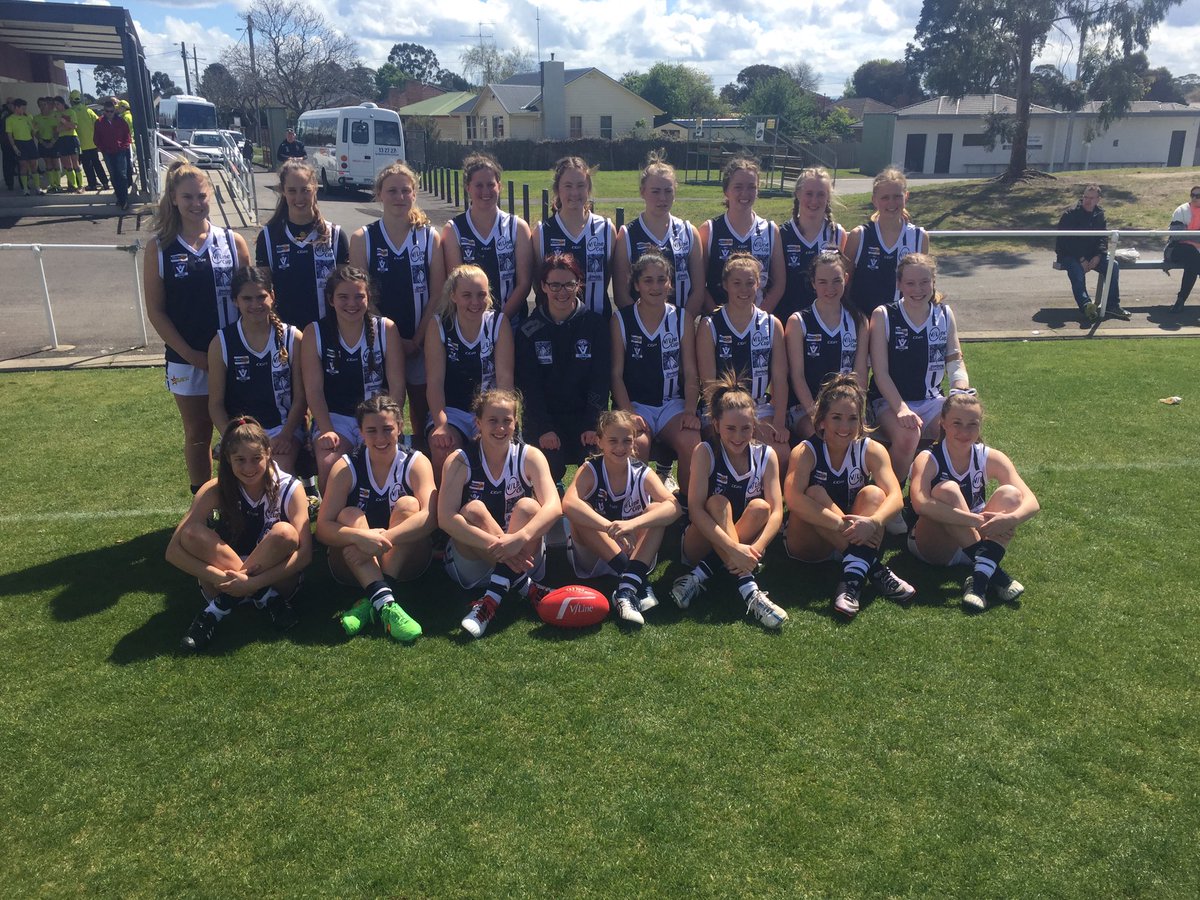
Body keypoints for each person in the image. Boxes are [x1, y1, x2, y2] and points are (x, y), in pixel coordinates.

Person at [144, 161, 250, 492]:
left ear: (211, 195)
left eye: (201, 196)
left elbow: (252, 298)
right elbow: (156, 311)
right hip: (186, 359)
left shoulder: (232, 241)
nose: (195, 203)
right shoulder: (159, 247)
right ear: (173, 198)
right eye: (187, 196)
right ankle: (204, 506)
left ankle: (248, 501)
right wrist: (190, 353)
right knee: (197, 432)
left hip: (236, 357)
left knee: (244, 430)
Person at [168, 417, 312, 651]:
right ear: (227, 459)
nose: (248, 468)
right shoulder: (214, 488)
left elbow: (305, 555)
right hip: (223, 580)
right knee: (192, 532)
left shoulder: (290, 487)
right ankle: (265, 599)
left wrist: (252, 583)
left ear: (269, 453)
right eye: (240, 460)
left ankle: (215, 612)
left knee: (285, 533)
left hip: (276, 581)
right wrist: (218, 578)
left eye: (256, 459)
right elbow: (173, 551)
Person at [783, 374, 915, 619]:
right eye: (836, 418)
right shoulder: (806, 451)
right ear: (821, 421)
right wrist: (845, 526)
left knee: (875, 493)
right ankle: (873, 567)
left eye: (852, 418)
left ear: (861, 421)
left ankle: (850, 584)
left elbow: (896, 496)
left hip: (858, 535)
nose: (844, 427)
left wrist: (874, 522)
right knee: (814, 493)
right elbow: (793, 499)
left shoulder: (871, 449)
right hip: (812, 543)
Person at [437, 388, 561, 639]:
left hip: (524, 552)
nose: (500, 428)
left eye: (507, 421)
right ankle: (526, 587)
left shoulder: (530, 455)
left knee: (529, 507)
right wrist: (499, 544)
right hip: (476, 561)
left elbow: (554, 507)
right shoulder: (460, 460)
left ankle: (490, 601)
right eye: (493, 420)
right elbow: (445, 518)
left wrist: (521, 537)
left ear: (516, 423)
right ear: (478, 423)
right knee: (473, 509)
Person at [670, 372, 788, 629]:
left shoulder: (767, 455)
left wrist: (756, 548)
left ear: (754, 424)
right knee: (717, 503)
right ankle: (750, 592)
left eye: (745, 428)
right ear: (716, 425)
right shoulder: (705, 452)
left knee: (761, 507)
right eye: (730, 428)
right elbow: (696, 511)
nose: (738, 436)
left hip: (746, 545)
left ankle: (698, 576)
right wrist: (735, 550)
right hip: (700, 541)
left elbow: (777, 511)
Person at [317, 394, 437, 642]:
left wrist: (379, 541)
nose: (380, 438)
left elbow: (430, 517)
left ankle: (373, 597)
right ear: (360, 432)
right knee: (350, 515)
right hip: (350, 564)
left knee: (409, 504)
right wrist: (360, 537)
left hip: (405, 562)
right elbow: (322, 528)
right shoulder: (346, 466)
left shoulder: (416, 462)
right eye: (371, 431)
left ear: (400, 428)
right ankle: (385, 600)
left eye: (387, 429)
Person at [909, 390, 1040, 611]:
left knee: (1011, 494)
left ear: (980, 425)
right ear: (943, 423)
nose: (964, 431)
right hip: (935, 546)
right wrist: (974, 520)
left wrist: (1010, 519)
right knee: (947, 490)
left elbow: (1031, 502)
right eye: (957, 423)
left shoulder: (990, 456)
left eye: (973, 424)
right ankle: (995, 574)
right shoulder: (928, 457)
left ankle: (978, 581)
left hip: (975, 537)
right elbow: (920, 503)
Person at [868, 252, 967, 533]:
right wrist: (900, 408)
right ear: (899, 284)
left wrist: (961, 389)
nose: (918, 290)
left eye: (925, 282)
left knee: (961, 426)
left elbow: (954, 358)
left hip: (932, 398)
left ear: (933, 282)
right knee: (908, 433)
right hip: (889, 400)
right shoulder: (884, 315)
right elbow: (881, 372)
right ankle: (894, 498)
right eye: (911, 283)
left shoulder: (944, 313)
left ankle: (942, 493)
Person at [349, 160, 445, 447]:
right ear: (379, 193)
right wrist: (391, 338)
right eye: (392, 191)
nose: (399, 197)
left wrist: (416, 339)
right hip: (375, 339)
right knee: (378, 410)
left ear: (414, 193)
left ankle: (419, 467)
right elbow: (359, 295)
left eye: (406, 191)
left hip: (421, 339)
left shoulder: (428, 236)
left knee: (420, 410)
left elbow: (438, 293)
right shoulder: (362, 238)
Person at [562, 410, 682, 624]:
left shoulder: (641, 471)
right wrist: (610, 527)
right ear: (599, 441)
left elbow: (674, 507)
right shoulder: (590, 469)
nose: (620, 447)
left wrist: (631, 524)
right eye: (612, 441)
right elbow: (568, 504)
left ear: (634, 441)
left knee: (657, 511)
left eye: (626, 441)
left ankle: (625, 589)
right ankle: (638, 580)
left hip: (633, 549)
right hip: (594, 555)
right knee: (581, 513)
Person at [300, 265, 405, 490]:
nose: (352, 304)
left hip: (376, 417)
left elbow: (397, 385)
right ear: (330, 300)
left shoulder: (386, 329)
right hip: (336, 418)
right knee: (330, 463)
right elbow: (314, 390)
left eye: (359, 296)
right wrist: (327, 429)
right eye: (343, 297)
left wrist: (389, 423)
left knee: (379, 464)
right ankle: (331, 520)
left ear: (368, 298)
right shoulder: (314, 333)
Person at [514, 253, 611, 486]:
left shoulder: (595, 325)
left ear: (579, 284)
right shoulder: (529, 330)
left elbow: (600, 379)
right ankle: (550, 509)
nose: (562, 291)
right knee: (548, 465)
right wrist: (544, 428)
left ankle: (594, 514)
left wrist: (592, 423)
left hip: (583, 418)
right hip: (544, 420)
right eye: (554, 285)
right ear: (543, 287)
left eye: (569, 284)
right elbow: (529, 386)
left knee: (598, 466)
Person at [610, 251, 701, 497]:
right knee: (636, 444)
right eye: (648, 280)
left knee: (692, 442)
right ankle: (635, 504)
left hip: (673, 404)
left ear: (670, 283)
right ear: (637, 284)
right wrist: (628, 411)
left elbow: (691, 371)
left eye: (662, 279)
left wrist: (691, 411)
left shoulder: (682, 318)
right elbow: (616, 374)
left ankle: (686, 506)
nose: (656, 286)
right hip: (638, 405)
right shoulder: (622, 319)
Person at [696, 253, 790, 474]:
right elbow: (708, 382)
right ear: (725, 285)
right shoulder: (710, 325)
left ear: (759, 284)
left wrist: (779, 421)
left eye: (750, 283)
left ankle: (770, 500)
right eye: (737, 283)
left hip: (758, 406)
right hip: (721, 407)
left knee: (782, 452)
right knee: (720, 449)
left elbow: (779, 377)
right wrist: (720, 416)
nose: (744, 290)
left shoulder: (771, 324)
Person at [207, 267, 306, 475]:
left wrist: (286, 435)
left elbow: (301, 399)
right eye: (247, 298)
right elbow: (215, 404)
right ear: (235, 300)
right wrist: (230, 437)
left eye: (261, 297)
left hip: (283, 429)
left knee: (276, 473)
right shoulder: (222, 342)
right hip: (242, 431)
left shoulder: (293, 337)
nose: (255, 305)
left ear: (272, 296)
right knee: (243, 473)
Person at [424, 264, 514, 482]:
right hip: (451, 411)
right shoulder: (440, 325)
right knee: (443, 448)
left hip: (489, 411)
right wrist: (441, 425)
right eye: (467, 295)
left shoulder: (498, 323)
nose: (475, 302)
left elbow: (505, 379)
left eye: (481, 295)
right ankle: (441, 510)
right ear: (453, 295)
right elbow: (434, 383)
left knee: (493, 450)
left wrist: (495, 420)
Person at [783, 249, 868, 440]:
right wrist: (816, 414)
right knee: (824, 436)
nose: (830, 288)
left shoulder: (859, 320)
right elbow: (797, 376)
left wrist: (855, 412)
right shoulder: (798, 321)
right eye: (822, 282)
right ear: (813, 283)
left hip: (846, 407)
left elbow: (860, 373)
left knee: (857, 441)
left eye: (837, 280)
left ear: (846, 278)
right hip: (806, 408)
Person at [255, 159, 349, 329]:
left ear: (315, 189)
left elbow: (346, 292)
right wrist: (282, 331)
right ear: (283, 191)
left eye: (305, 190)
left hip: (328, 333)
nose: (299, 197)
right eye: (292, 191)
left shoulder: (335, 235)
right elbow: (264, 292)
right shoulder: (268, 237)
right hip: (286, 334)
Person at [443, 153, 533, 322]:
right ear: (468, 187)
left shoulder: (518, 227)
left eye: (491, 185)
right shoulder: (453, 230)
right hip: (471, 326)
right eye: (479, 185)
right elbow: (456, 286)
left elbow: (524, 284)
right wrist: (481, 326)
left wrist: (500, 322)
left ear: (499, 186)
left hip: (511, 323)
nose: (485, 191)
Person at [612, 153, 705, 314]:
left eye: (668, 191)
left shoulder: (689, 232)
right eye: (655, 191)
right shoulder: (627, 235)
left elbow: (698, 291)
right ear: (642, 192)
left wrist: (682, 324)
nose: (662, 198)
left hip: (681, 330)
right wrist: (644, 326)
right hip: (641, 331)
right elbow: (621, 295)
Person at [698, 157, 785, 315]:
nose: (745, 193)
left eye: (751, 187)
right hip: (718, 325)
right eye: (738, 187)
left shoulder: (771, 230)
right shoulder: (709, 230)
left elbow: (779, 284)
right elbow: (699, 284)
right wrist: (718, 317)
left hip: (757, 325)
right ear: (726, 190)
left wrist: (758, 318)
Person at [532, 156, 615, 317]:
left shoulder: (606, 230)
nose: (574, 192)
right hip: (555, 328)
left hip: (597, 329)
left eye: (580, 185)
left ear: (588, 188)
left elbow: (611, 279)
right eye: (568, 186)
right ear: (557, 189)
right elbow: (538, 285)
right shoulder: (542, 232)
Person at [844, 166, 930, 316]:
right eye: (885, 197)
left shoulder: (919, 237)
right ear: (874, 200)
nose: (891, 203)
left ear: (906, 196)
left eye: (897, 196)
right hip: (864, 324)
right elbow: (845, 284)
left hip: (902, 324)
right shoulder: (859, 236)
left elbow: (923, 283)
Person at [777, 167, 847, 323]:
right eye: (809, 194)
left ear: (828, 196)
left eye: (821, 194)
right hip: (786, 319)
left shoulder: (837, 234)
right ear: (798, 193)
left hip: (825, 323)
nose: (814, 201)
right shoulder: (780, 234)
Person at [1054, 183, 1132, 323]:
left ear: (1098, 199)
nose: (1087, 200)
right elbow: (1065, 241)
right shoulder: (1070, 214)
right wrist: (1082, 259)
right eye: (1085, 197)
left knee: (1112, 266)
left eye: (1091, 197)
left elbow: (1102, 238)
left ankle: (1112, 305)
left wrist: (1098, 255)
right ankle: (1086, 306)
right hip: (1070, 255)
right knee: (1077, 272)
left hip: (1093, 255)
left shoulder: (1099, 214)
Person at [1165, 185, 1200, 313]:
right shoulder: (1182, 210)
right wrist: (1196, 234)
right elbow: (1176, 235)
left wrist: (1190, 233)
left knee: (1194, 262)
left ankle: (1181, 300)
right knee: (1193, 255)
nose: (1195, 198)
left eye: (1198, 196)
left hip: (1196, 254)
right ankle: (1181, 300)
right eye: (1193, 195)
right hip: (1176, 249)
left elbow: (1184, 233)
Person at [93, 97, 132, 209]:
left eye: (111, 111)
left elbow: (127, 136)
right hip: (107, 153)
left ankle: (124, 200)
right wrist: (102, 148)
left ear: (114, 111)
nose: (109, 113)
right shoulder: (99, 122)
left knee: (122, 175)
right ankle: (120, 198)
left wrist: (123, 147)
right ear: (104, 111)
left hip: (120, 151)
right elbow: (96, 138)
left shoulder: (121, 121)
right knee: (114, 176)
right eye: (107, 111)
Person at [69, 90, 108, 191]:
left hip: (81, 143)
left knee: (87, 165)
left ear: (71, 100)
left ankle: (92, 184)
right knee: (97, 163)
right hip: (93, 142)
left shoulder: (71, 112)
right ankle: (105, 182)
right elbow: (98, 122)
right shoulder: (88, 110)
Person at [4, 98, 42, 196]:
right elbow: (9, 135)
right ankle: (25, 189)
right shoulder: (10, 119)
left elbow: (33, 131)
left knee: (34, 164)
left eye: (25, 108)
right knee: (23, 166)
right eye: (22, 108)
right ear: (16, 107)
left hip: (29, 142)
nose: (24, 110)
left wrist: (35, 127)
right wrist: (15, 148)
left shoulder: (27, 117)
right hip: (19, 143)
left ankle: (38, 187)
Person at [51, 97, 82, 193]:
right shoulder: (55, 114)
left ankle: (80, 185)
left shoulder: (71, 112)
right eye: (55, 104)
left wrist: (63, 122)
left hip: (72, 138)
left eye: (58, 104)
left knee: (75, 163)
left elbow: (74, 126)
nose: (56, 106)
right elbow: (56, 129)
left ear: (63, 103)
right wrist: (66, 127)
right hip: (62, 139)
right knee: (67, 164)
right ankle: (74, 185)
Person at [33, 96, 60, 193]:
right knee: (48, 163)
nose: (43, 106)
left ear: (47, 105)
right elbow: (36, 133)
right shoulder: (36, 118)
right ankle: (52, 185)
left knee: (56, 163)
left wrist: (52, 142)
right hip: (43, 142)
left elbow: (56, 131)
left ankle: (58, 184)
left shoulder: (54, 116)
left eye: (44, 104)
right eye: (40, 105)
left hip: (54, 142)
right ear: (38, 106)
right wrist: (43, 142)